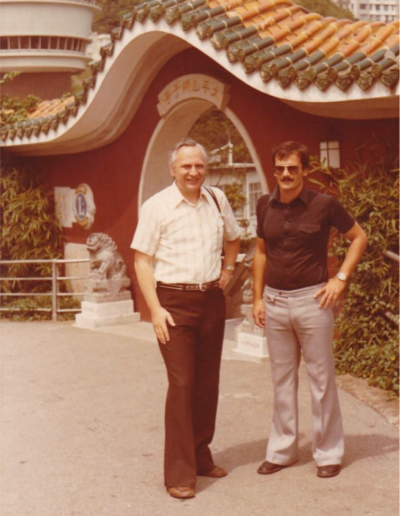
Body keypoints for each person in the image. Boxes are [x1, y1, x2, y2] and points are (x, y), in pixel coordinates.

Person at [131, 138, 240, 499]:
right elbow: (141, 260)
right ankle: (179, 473)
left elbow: (234, 239)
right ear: (173, 169)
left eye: (199, 166)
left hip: (210, 298)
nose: (193, 172)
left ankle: (200, 454)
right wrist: (155, 309)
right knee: (182, 384)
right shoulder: (156, 206)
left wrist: (227, 269)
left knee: (207, 383)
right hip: (173, 304)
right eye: (186, 166)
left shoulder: (216, 199)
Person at [253, 141, 367, 479]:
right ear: (274, 170)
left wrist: (340, 279)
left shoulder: (325, 204)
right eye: (280, 168)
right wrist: (257, 298)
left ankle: (328, 453)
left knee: (321, 379)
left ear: (304, 169)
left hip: (312, 302)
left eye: (292, 168)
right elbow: (260, 252)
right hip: (274, 302)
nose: (285, 174)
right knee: (281, 381)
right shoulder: (264, 205)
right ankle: (282, 450)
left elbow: (358, 238)